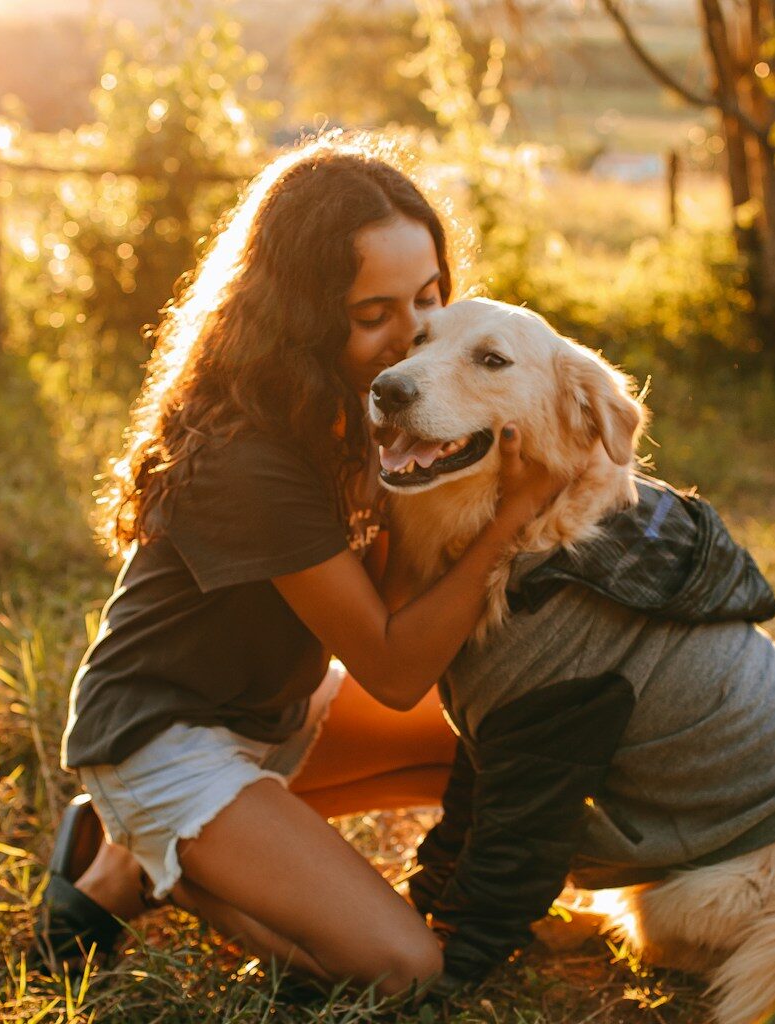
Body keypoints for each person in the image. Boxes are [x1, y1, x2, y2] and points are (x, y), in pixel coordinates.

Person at [39, 132, 568, 996]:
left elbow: (391, 596)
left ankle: (137, 857)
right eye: (373, 316)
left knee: (509, 743)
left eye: (428, 301)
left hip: (276, 714)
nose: (410, 339)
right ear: (301, 312)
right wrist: (511, 513)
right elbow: (395, 669)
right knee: (400, 969)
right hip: (158, 735)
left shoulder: (372, 406)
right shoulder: (249, 457)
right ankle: (152, 862)